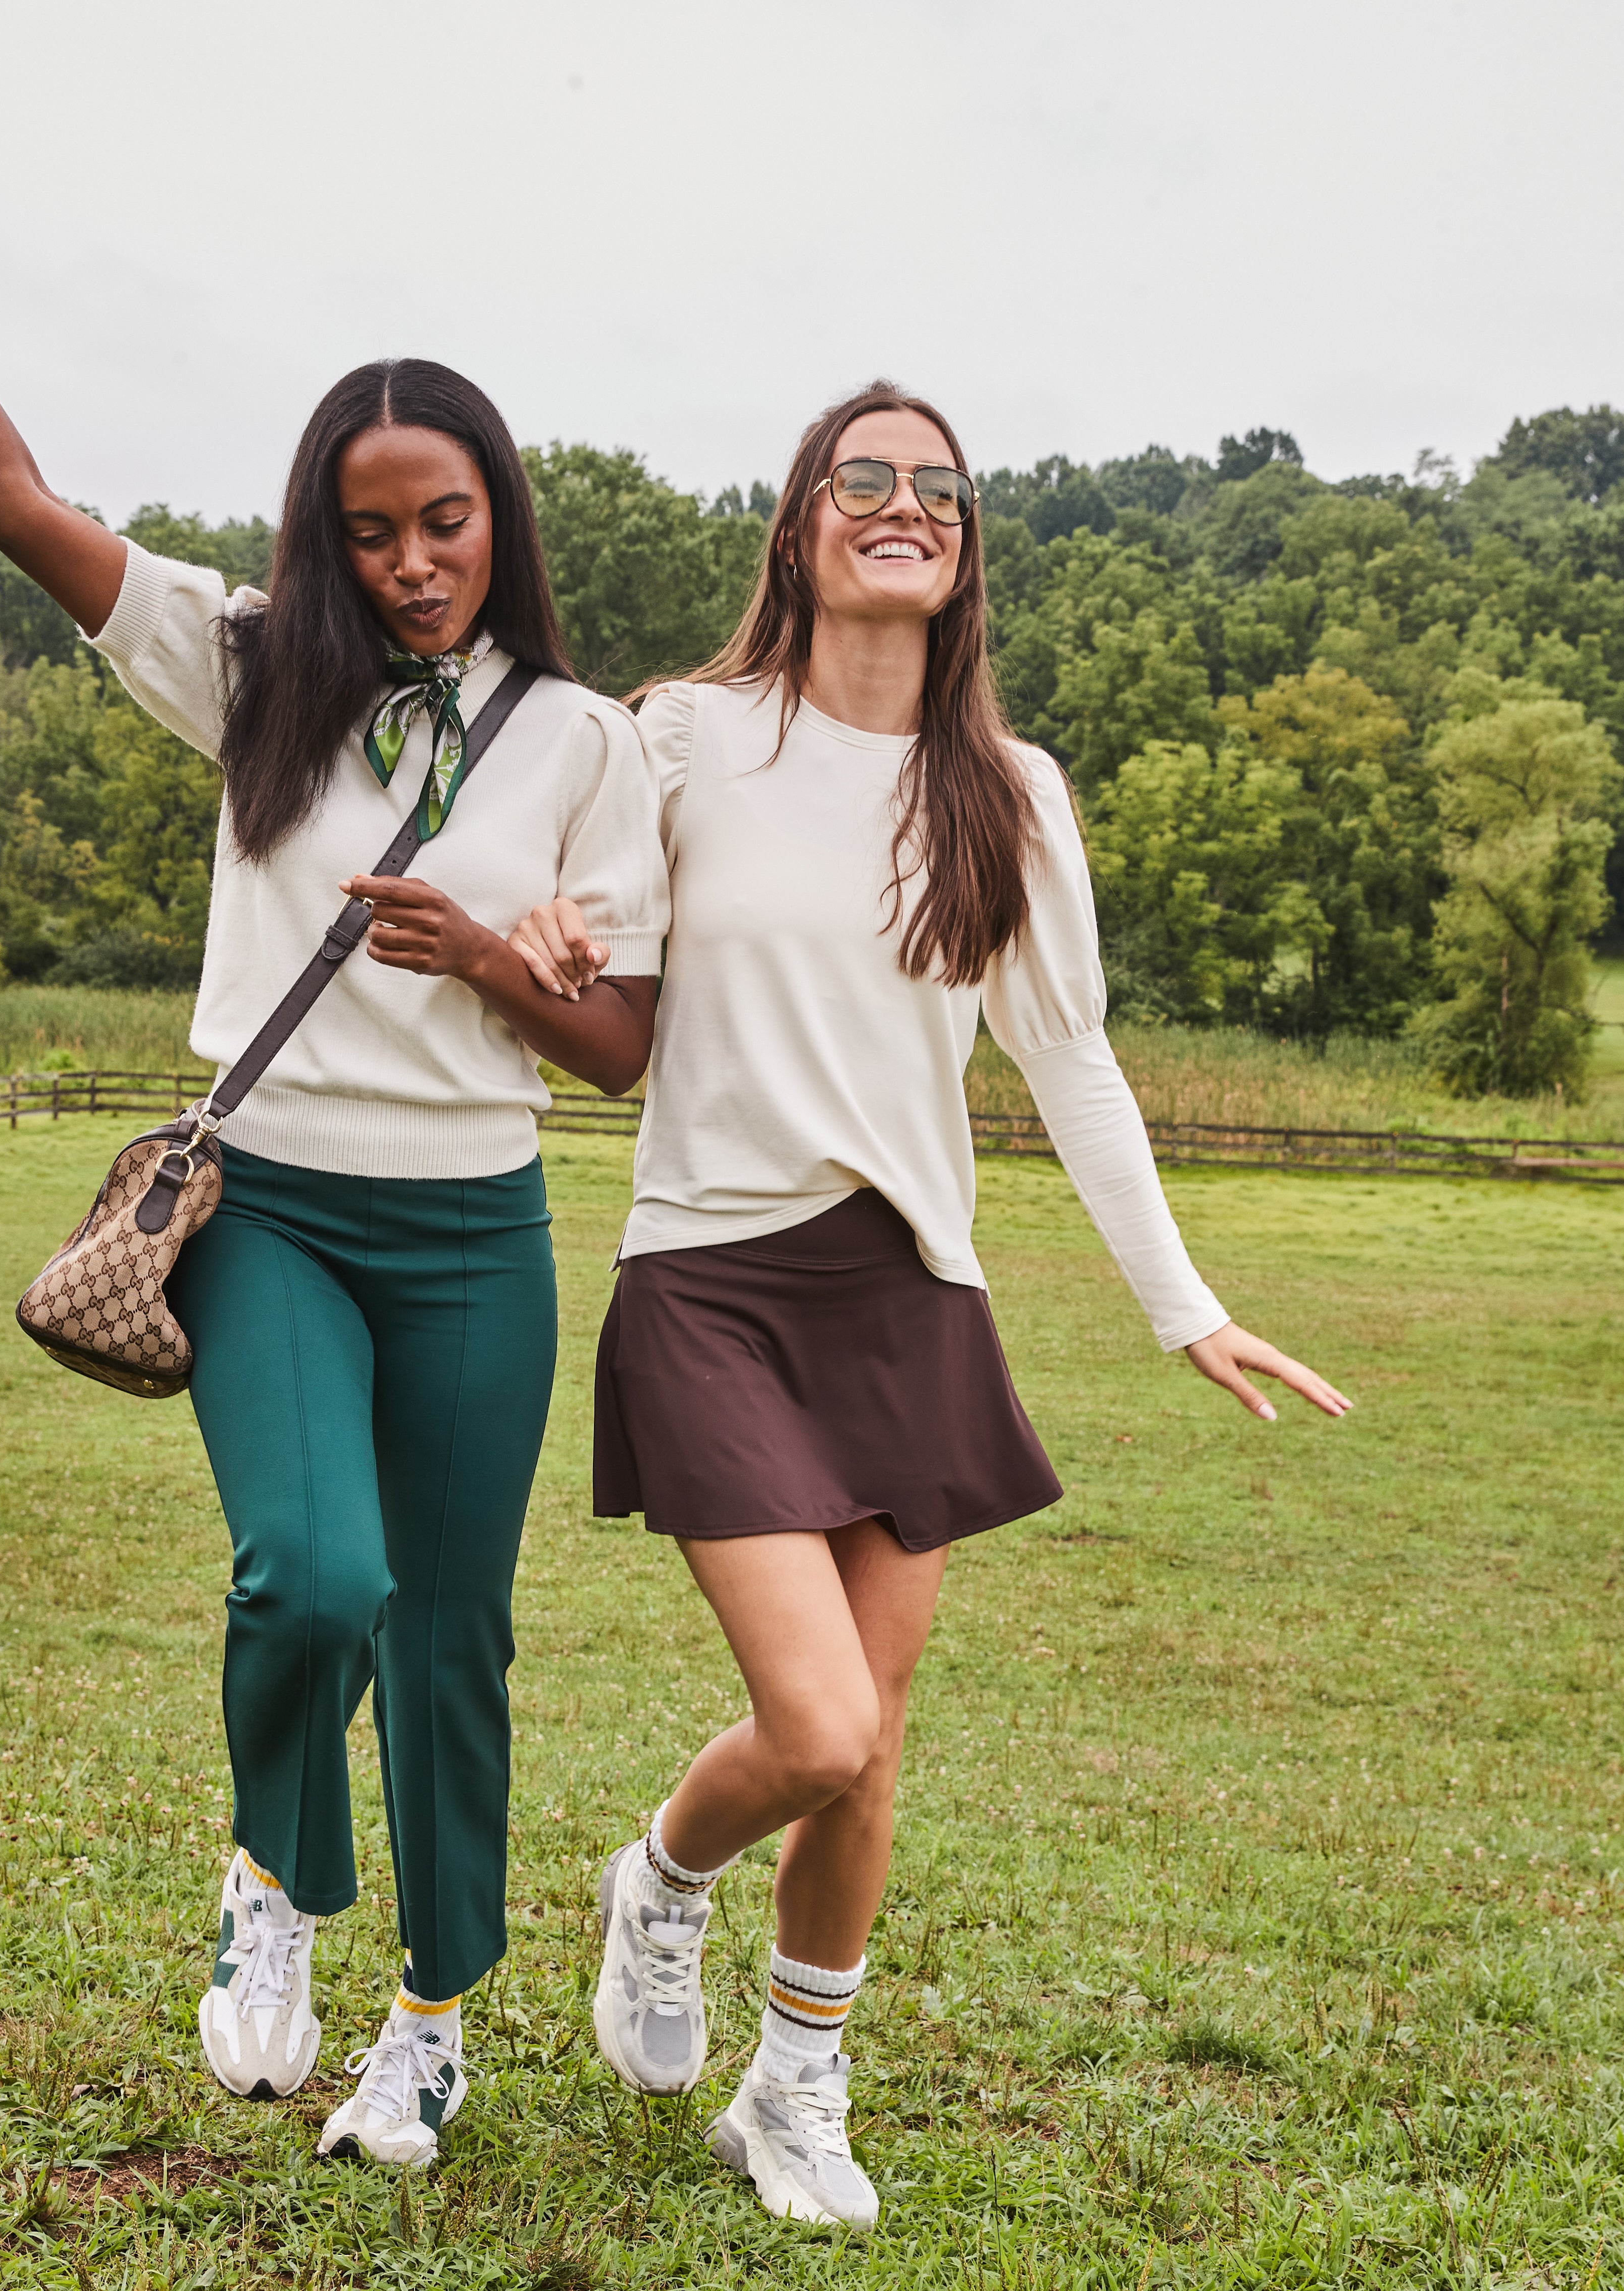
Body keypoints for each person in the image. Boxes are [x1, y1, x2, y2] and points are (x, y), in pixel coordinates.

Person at [0, 68, 667, 2169]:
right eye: (372, 527)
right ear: (325, 532)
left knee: (455, 1632)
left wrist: (482, 961)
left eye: (446, 521)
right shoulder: (245, 665)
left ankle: (436, 2017)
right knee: (313, 1582)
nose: (410, 563)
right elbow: (15, 496)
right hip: (276, 1210)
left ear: (504, 515)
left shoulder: (583, 740)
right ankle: (275, 1884)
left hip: (477, 1234)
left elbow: (626, 1047)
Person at [509, 381, 1352, 2230]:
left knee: (872, 1745)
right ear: (803, 521)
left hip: (915, 1297)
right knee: (812, 1728)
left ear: (964, 545)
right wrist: (557, 930)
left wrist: (1183, 1307)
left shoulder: (1012, 792)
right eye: (865, 477)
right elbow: (592, 943)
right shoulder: (685, 737)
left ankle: (794, 2091)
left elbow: (1074, 1066)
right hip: (713, 1278)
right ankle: (658, 1882)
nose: (906, 503)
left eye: (940, 488)